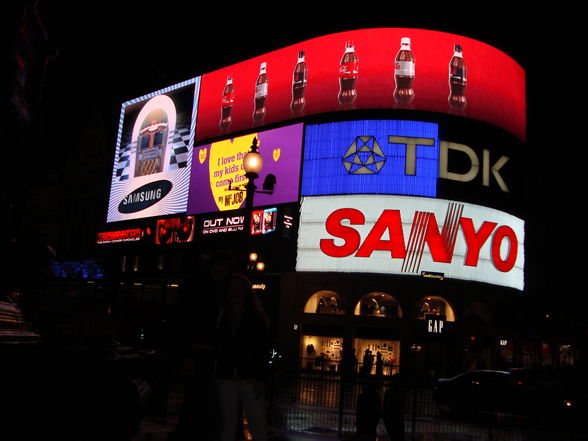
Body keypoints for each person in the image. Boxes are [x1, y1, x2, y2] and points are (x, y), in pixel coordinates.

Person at [168, 250, 233, 441]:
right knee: (202, 403)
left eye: (225, 268)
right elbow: (183, 323)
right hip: (200, 352)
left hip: (208, 354)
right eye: (219, 266)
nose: (221, 271)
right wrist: (187, 354)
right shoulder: (201, 289)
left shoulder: (216, 290)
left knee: (199, 403)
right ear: (211, 266)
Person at [215, 273, 270, 441]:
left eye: (239, 288)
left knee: (256, 425)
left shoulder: (254, 317)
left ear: (246, 292)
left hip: (248, 377)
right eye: (232, 288)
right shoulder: (222, 315)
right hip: (228, 375)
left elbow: (262, 349)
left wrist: (261, 379)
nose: (235, 292)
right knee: (229, 426)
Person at [382, 374, 405, 441]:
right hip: (397, 421)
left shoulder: (389, 394)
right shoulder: (399, 393)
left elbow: (385, 410)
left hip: (393, 421)